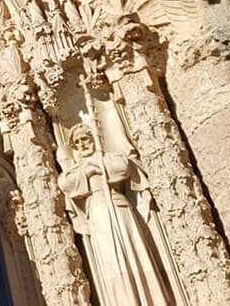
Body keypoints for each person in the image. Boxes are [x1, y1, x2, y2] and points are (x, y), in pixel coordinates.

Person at [58, 124, 174, 306]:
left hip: (119, 206)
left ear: (94, 138)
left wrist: (100, 165)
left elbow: (123, 167)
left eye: (85, 139)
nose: (82, 144)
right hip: (96, 212)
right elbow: (66, 183)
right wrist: (87, 171)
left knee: (135, 252)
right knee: (109, 261)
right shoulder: (77, 168)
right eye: (77, 142)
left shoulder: (109, 157)